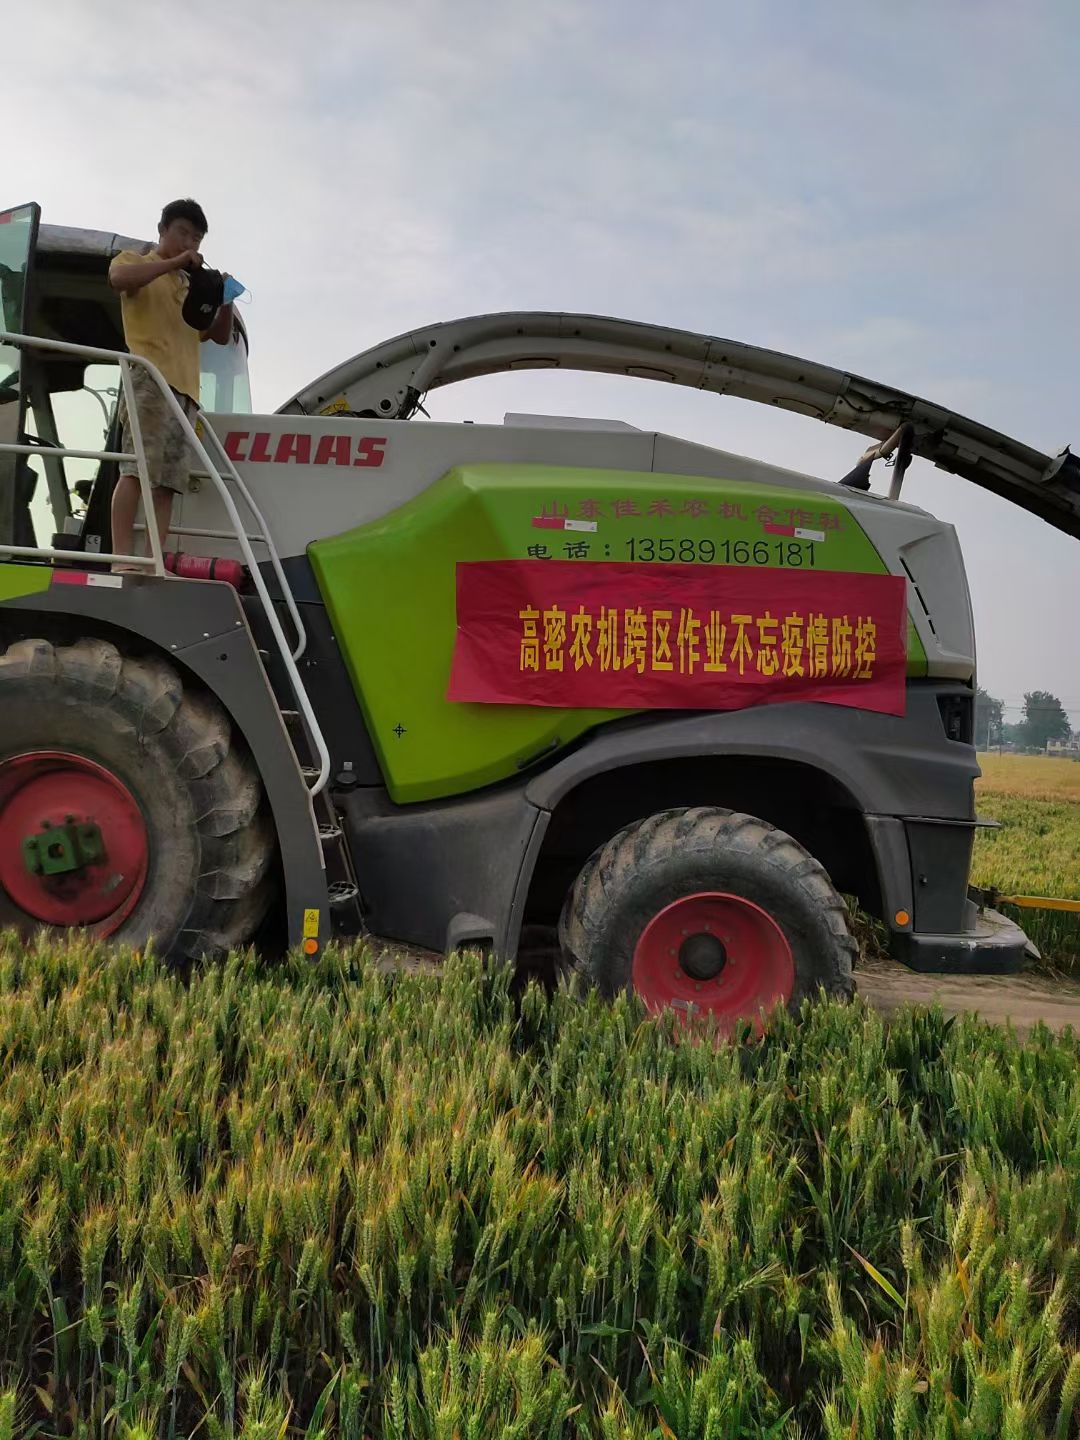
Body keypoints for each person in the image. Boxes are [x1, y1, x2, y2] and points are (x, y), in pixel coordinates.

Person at [108, 199, 233, 569]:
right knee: (137, 469)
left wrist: (224, 299)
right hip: (149, 376)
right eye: (182, 232)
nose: (188, 243)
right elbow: (117, 281)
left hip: (186, 392)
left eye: (195, 238)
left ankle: (153, 562)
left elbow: (217, 336)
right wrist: (176, 263)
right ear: (162, 229)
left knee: (167, 484)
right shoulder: (135, 261)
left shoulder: (188, 288)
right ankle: (120, 558)